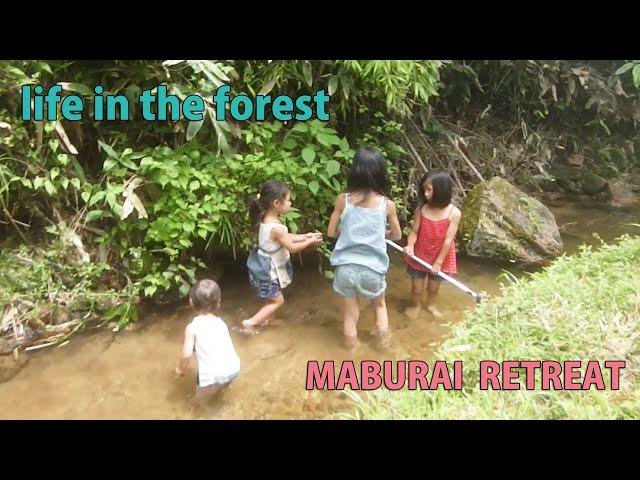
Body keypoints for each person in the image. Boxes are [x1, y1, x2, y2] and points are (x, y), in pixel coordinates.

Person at [327, 147, 402, 350]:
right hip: (372, 269)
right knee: (379, 306)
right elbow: (397, 235)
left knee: (350, 314)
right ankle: (384, 347)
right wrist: (383, 235)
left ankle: (352, 350)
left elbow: (331, 232)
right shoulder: (387, 205)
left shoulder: (343, 200)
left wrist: (348, 233)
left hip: (345, 267)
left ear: (355, 171)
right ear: (381, 173)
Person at [238, 179, 322, 334]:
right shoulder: (276, 227)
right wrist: (309, 241)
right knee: (278, 301)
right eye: (288, 200)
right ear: (277, 203)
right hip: (268, 270)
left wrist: (305, 236)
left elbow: (285, 236)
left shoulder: (266, 219)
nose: (290, 203)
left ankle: (269, 319)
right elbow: (291, 247)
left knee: (271, 298)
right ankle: (250, 323)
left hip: (262, 267)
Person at [404, 169, 461, 319]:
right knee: (416, 289)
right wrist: (410, 246)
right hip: (420, 255)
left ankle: (431, 305)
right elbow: (415, 232)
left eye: (429, 190)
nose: (426, 194)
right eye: (425, 190)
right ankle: (415, 305)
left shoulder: (453, 213)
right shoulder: (422, 209)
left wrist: (438, 263)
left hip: (440, 257)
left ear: (442, 189)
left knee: (433, 289)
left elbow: (448, 240)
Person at [175, 279, 241, 399]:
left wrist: (180, 369)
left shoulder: (192, 328)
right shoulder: (221, 323)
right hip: (233, 369)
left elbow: (186, 354)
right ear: (219, 303)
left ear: (191, 302)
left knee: (199, 403)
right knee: (219, 391)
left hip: (213, 377)